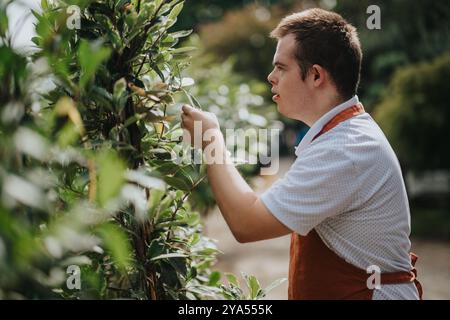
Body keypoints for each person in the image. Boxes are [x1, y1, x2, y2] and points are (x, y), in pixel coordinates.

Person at [180, 8, 422, 300]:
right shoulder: (340, 136)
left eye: (281, 67)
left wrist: (211, 140)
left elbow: (246, 223)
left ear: (316, 75)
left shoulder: (346, 149)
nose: (271, 77)